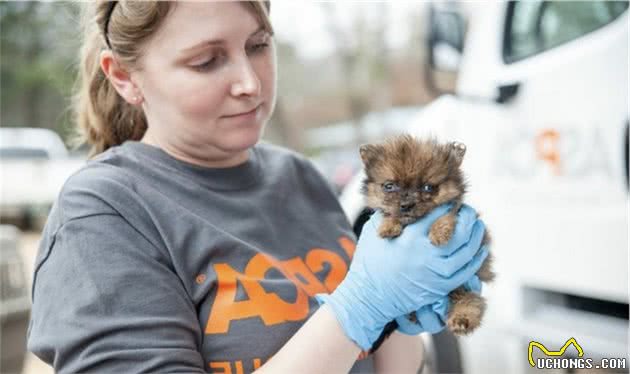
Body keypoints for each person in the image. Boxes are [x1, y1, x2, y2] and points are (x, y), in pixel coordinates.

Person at [27, 1, 489, 373]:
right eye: (207, 61)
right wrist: (359, 309)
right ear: (125, 77)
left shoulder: (300, 177)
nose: (250, 83)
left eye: (257, 45)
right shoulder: (105, 213)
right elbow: (355, 316)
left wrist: (403, 311)